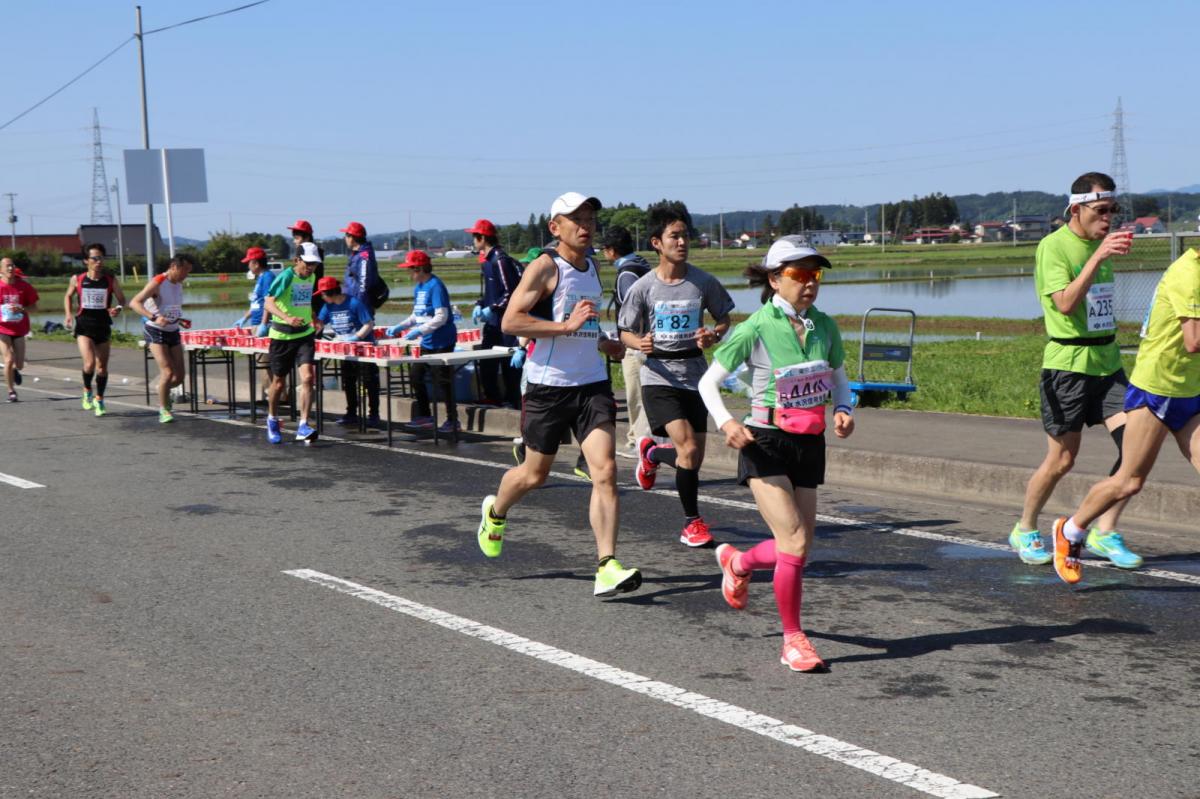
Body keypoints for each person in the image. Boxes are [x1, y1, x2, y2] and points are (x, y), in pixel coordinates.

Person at [698, 236, 854, 672]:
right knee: (795, 540)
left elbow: (838, 378)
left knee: (799, 549)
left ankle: (738, 561)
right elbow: (708, 384)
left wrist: (842, 409)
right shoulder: (754, 328)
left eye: (815, 275)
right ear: (774, 279)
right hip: (763, 440)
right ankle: (793, 640)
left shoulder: (825, 326)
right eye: (798, 275)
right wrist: (728, 423)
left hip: (809, 440)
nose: (809, 284)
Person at [475, 191, 640, 598]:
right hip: (548, 386)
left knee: (605, 471)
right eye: (575, 219)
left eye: (590, 218)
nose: (585, 226)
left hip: (592, 385)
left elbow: (584, 324)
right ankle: (495, 512)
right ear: (555, 227)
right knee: (535, 474)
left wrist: (604, 342)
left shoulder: (594, 267)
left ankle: (606, 565)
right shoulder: (545, 266)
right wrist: (565, 328)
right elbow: (512, 321)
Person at [1010, 172, 1142, 570]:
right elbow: (1065, 303)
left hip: (1108, 364)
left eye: (1112, 212)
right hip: (1067, 367)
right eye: (1101, 211)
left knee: (1136, 452)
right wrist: (1098, 256)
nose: (1108, 220)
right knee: (1062, 461)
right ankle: (1026, 527)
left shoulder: (1100, 244)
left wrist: (1101, 251)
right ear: (1077, 208)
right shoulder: (1054, 247)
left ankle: (1104, 530)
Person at [1052, 245, 1200, 584]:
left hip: (1190, 391)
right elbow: (1194, 340)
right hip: (1156, 391)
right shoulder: (1188, 273)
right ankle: (1071, 531)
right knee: (1129, 482)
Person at [618, 206, 734, 547]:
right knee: (686, 447)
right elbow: (624, 330)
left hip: (695, 375)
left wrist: (714, 335)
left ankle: (651, 454)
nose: (682, 242)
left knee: (694, 456)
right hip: (658, 376)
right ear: (657, 242)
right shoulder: (643, 287)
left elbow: (725, 317)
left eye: (685, 235)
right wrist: (639, 342)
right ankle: (692, 522)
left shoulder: (703, 281)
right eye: (675, 236)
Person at [385, 250, 460, 433]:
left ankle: (453, 420)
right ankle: (426, 416)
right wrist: (400, 327)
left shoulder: (435, 286)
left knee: (443, 381)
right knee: (416, 376)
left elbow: (442, 316)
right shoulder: (419, 287)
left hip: (442, 341)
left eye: (411, 269)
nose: (409, 273)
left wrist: (419, 330)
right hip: (426, 341)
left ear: (420, 269)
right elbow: (416, 315)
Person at [263, 242, 321, 443]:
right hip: (282, 337)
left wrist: (314, 317)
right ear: (297, 260)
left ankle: (303, 425)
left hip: (304, 334)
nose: (311, 267)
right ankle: (272, 419)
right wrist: (287, 319)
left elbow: (304, 301)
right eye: (308, 263)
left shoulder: (312, 277)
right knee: (279, 383)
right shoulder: (286, 276)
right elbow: (268, 302)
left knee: (308, 378)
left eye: (314, 264)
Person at [603, 226, 653, 459]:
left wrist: (623, 339)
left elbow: (631, 312)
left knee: (636, 395)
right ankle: (640, 439)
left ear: (611, 251)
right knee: (645, 393)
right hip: (650, 338)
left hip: (636, 342)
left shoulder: (626, 274)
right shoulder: (643, 265)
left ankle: (638, 441)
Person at [129, 254, 194, 424]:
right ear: (174, 266)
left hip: (173, 330)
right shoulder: (158, 281)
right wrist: (153, 317)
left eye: (189, 271)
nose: (186, 274)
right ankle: (164, 409)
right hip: (155, 330)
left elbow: (169, 308)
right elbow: (135, 303)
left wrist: (180, 319)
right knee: (167, 371)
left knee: (179, 377)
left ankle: (162, 392)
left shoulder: (178, 285)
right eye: (184, 270)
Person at [63, 243, 125, 416]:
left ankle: (99, 399)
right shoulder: (78, 279)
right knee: (89, 363)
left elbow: (122, 299)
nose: (99, 261)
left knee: (102, 368)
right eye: (95, 258)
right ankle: (87, 390)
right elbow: (68, 295)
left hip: (103, 325)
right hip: (84, 325)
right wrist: (68, 314)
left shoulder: (110, 279)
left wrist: (117, 309)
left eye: (101, 258)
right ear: (86, 261)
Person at [467, 218, 523, 408]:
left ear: (482, 238)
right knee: (486, 360)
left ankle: (513, 400)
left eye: (475, 237)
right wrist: (480, 303)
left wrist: (492, 308)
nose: (474, 241)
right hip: (493, 322)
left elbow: (512, 293)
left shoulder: (500, 260)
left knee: (509, 365)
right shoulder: (487, 261)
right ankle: (492, 396)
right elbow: (489, 292)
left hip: (506, 322)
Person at [315, 275, 375, 426]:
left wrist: (356, 337)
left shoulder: (354, 303)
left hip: (363, 347)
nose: (322, 297)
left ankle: (374, 414)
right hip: (345, 349)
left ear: (331, 292)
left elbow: (368, 323)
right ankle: (351, 413)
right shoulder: (328, 307)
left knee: (369, 381)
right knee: (348, 381)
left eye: (323, 294)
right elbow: (319, 323)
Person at [340, 221, 384, 426]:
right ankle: (351, 411)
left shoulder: (365, 256)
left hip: (360, 313)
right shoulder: (357, 255)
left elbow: (365, 285)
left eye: (347, 235)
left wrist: (359, 309)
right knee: (348, 366)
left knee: (367, 369)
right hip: (349, 314)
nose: (345, 239)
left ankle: (373, 413)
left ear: (353, 237)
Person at [0, 257, 39, 403]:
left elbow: (35, 307)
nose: (10, 269)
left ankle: (15, 370)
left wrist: (22, 309)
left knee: (20, 364)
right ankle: (11, 391)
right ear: (1, 270)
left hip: (19, 329)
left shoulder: (23, 286)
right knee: (8, 359)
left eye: (12, 266)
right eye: (7, 266)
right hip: (2, 328)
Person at [288, 219, 325, 316]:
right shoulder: (303, 255)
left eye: (296, 238)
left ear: (307, 238)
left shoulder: (314, 259)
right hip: (302, 304)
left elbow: (309, 284)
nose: (294, 241)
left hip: (311, 304)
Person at [234, 246, 275, 330]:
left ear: (256, 264)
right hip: (256, 323)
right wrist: (244, 318)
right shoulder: (260, 277)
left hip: (263, 324)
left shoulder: (268, 277)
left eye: (249, 263)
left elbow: (269, 301)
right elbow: (256, 303)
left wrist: (264, 324)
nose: (248, 266)